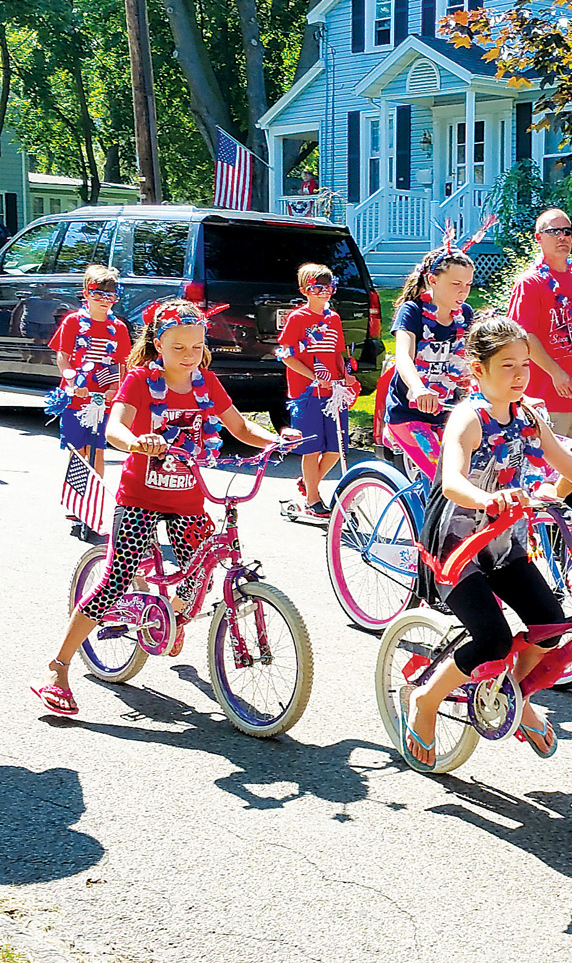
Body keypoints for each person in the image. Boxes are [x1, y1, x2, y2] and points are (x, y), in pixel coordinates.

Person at [402, 311, 572, 766]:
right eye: (507, 366)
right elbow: (452, 482)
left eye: (524, 364)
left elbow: (571, 468)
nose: (520, 375)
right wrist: (490, 497)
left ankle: (514, 698)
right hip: (458, 546)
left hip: (504, 542)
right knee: (494, 639)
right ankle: (425, 699)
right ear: (478, 370)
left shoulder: (528, 415)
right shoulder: (468, 417)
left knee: (549, 625)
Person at [31, 300, 292, 717]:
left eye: (196, 346)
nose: (189, 356)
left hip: (188, 498)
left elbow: (239, 427)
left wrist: (276, 438)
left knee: (200, 572)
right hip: (140, 497)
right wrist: (137, 441)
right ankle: (57, 667)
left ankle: (167, 616)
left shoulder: (205, 382)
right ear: (158, 344)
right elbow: (115, 425)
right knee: (116, 579)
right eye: (178, 348)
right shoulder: (138, 381)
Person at [507, 209, 572, 492]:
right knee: (544, 464)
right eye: (554, 232)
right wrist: (557, 373)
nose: (563, 237)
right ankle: (537, 517)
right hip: (547, 393)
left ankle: (550, 512)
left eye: (568, 231)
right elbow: (525, 334)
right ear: (539, 238)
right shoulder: (531, 282)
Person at [383, 248, 476, 479]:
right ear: (432, 280)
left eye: (468, 284)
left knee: (475, 474)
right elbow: (403, 356)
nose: (463, 292)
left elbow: (474, 362)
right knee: (445, 478)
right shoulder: (412, 310)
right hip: (409, 413)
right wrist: (418, 388)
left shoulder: (465, 314)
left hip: (448, 412)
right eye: (456, 284)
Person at [276, 262, 357, 516]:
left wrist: (346, 375)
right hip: (306, 394)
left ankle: (309, 483)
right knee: (311, 448)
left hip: (333, 393)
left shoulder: (333, 318)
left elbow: (337, 353)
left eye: (329, 287)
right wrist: (312, 377)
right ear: (304, 290)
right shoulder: (297, 318)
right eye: (317, 287)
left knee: (336, 448)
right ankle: (312, 499)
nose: (324, 292)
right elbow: (287, 355)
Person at [46, 265, 131, 482]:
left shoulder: (118, 327)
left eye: (111, 295)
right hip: (77, 396)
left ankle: (94, 495)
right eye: (98, 294)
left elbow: (121, 363)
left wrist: (115, 388)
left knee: (97, 449)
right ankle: (77, 498)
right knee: (78, 449)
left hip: (103, 399)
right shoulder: (73, 321)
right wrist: (73, 382)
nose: (105, 300)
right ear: (86, 294)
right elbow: (63, 355)